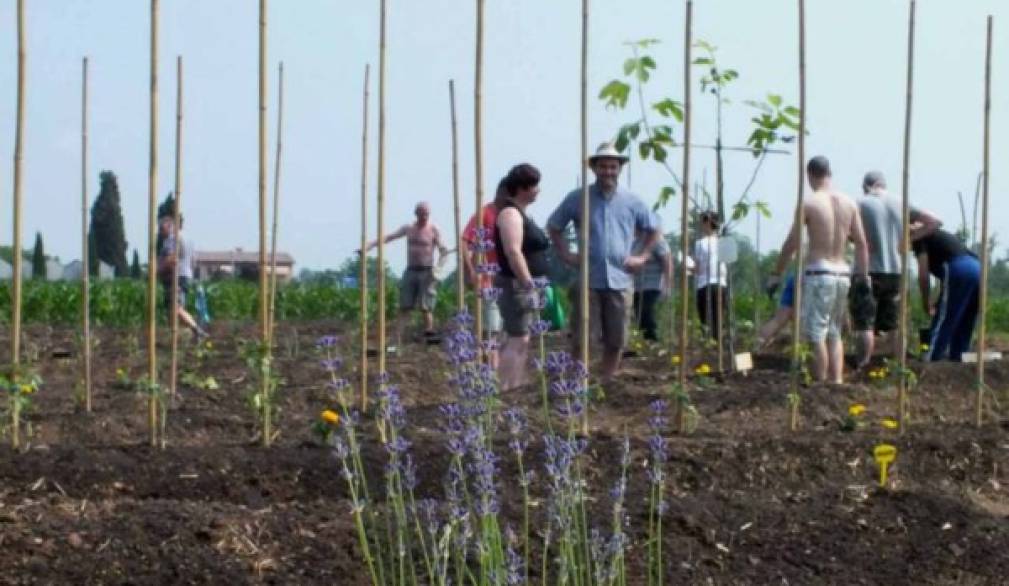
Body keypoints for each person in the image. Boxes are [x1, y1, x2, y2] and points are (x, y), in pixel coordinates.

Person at [547, 142, 660, 381]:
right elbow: (554, 226)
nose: (608, 171)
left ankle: (607, 381)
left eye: (612, 166)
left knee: (616, 338)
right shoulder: (578, 198)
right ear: (594, 168)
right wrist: (566, 254)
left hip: (620, 279)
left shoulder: (632, 201)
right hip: (588, 277)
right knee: (582, 337)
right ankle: (579, 381)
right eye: (603, 166)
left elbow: (654, 229)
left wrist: (642, 256)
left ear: (619, 169)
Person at [769, 156, 869, 384]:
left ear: (810, 175)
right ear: (829, 174)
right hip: (842, 272)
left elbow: (794, 241)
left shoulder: (810, 203)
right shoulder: (849, 202)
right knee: (834, 332)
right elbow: (862, 243)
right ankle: (836, 382)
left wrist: (777, 271)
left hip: (819, 272)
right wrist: (863, 277)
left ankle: (820, 384)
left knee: (815, 333)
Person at [495, 164, 550, 390]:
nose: (538, 190)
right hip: (515, 285)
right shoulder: (510, 214)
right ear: (522, 188)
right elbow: (513, 252)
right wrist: (528, 283)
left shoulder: (521, 214)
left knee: (522, 337)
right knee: (518, 337)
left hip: (524, 284)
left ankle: (512, 384)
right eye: (535, 185)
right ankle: (506, 386)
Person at [362, 201, 449, 342]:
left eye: (426, 214)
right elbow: (389, 237)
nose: (424, 217)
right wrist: (370, 245)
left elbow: (444, 252)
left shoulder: (433, 230)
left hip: (427, 271)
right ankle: (396, 338)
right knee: (405, 306)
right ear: (416, 214)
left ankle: (429, 333)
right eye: (421, 213)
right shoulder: (408, 228)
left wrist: (437, 270)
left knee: (426, 306)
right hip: (411, 271)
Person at [848, 171, 904, 368]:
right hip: (895, 271)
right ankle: (899, 366)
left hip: (868, 270)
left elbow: (848, 231)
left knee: (865, 323)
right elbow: (933, 221)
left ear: (866, 186)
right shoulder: (900, 202)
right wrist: (906, 240)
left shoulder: (860, 202)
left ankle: (863, 364)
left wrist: (855, 239)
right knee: (893, 324)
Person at [911, 214, 980, 362]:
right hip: (977, 268)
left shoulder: (919, 239)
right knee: (965, 317)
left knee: (944, 319)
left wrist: (926, 302)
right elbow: (947, 282)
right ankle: (958, 358)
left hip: (959, 268)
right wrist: (939, 300)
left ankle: (931, 358)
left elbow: (923, 276)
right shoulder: (942, 236)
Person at [463, 180, 508, 368]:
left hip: (506, 281)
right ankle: (489, 372)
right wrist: (470, 270)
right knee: (490, 331)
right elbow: (465, 241)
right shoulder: (484, 214)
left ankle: (487, 372)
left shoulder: (510, 215)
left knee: (497, 331)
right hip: (487, 281)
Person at [157, 213, 207, 339]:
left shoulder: (172, 239)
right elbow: (193, 261)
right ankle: (184, 336)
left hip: (176, 277)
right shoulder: (189, 239)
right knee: (175, 310)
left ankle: (196, 330)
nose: (160, 232)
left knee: (175, 309)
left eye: (162, 229)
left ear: (170, 226)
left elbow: (171, 259)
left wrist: (157, 270)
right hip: (185, 276)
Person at [631, 223, 672, 341]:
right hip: (638, 287)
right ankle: (645, 345)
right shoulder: (635, 243)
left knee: (648, 316)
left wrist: (667, 285)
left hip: (653, 287)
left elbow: (667, 261)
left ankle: (653, 343)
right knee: (640, 317)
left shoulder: (656, 241)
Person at [691, 211, 728, 340]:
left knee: (705, 320)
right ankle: (718, 344)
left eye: (702, 222)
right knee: (718, 319)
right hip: (722, 285)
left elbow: (698, 268)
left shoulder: (700, 243)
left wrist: (688, 267)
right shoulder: (724, 242)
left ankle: (708, 345)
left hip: (704, 284)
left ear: (707, 223)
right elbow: (729, 265)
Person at [757, 273, 795, 349]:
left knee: (780, 318)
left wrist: (775, 275)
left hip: (799, 276)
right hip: (814, 276)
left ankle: (757, 344)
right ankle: (757, 345)